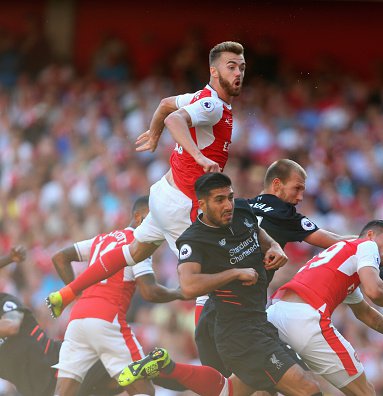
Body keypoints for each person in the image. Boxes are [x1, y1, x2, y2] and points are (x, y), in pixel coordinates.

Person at [47, 40, 246, 317]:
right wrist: (198, 157)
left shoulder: (201, 97)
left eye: (242, 67)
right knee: (208, 280)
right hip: (183, 205)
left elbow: (165, 105)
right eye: (231, 67)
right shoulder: (212, 105)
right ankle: (212, 361)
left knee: (134, 252)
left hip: (162, 194)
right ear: (214, 71)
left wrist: (153, 135)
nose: (238, 73)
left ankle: (66, 293)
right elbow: (174, 119)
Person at [119, 173, 322, 396]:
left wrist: (273, 246)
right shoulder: (195, 239)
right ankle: (166, 369)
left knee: (235, 390)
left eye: (230, 197)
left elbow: (256, 230)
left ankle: (165, 368)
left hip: (256, 322)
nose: (228, 205)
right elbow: (188, 285)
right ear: (202, 204)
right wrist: (234, 273)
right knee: (307, 387)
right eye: (219, 200)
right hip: (233, 329)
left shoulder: (242, 210)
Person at [196, 158, 356, 377]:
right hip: (242, 312)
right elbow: (334, 241)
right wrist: (368, 242)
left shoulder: (242, 205)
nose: (300, 197)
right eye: (297, 188)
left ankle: (167, 369)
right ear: (277, 184)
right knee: (294, 381)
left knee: (220, 384)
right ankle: (168, 369)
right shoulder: (284, 213)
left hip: (213, 307)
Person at [266, 220, 383, 395]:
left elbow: (365, 313)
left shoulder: (344, 261)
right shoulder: (367, 246)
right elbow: (374, 291)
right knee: (364, 392)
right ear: (370, 235)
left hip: (274, 314)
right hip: (304, 318)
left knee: (261, 386)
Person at [51, 196, 185, 396]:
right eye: (155, 220)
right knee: (144, 389)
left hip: (78, 319)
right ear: (139, 218)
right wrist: (181, 293)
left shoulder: (102, 239)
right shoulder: (138, 245)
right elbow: (149, 291)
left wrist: (77, 294)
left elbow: (60, 257)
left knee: (64, 391)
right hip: (107, 319)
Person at [0, 290, 121, 396]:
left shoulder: (4, 301)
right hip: (37, 390)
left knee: (120, 375)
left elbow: (12, 326)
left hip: (62, 363)